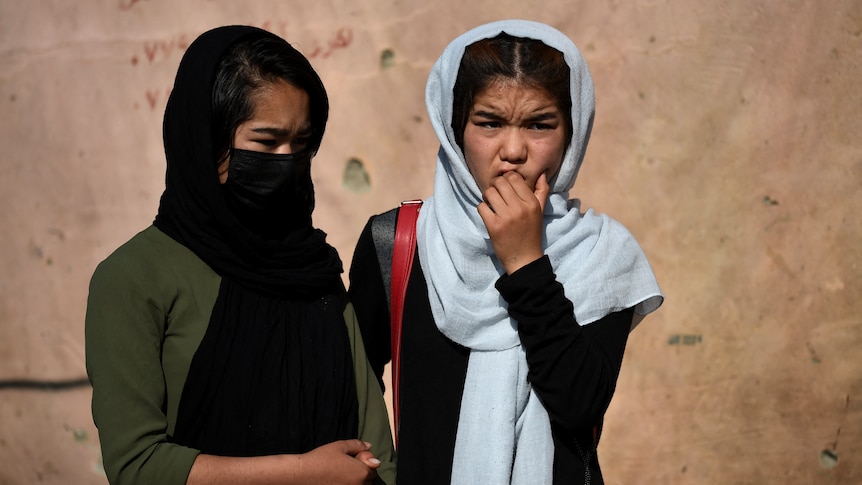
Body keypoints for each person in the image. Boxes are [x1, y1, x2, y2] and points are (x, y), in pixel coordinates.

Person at [348, 19, 663, 485]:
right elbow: (350, 391)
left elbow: (578, 405)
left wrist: (526, 262)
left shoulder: (602, 254)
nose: (513, 150)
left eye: (540, 125)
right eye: (489, 123)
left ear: (572, 134)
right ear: (455, 128)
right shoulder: (398, 242)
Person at [85, 25, 394, 485]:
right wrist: (304, 472)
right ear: (207, 141)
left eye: (302, 144)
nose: (287, 161)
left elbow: (378, 458)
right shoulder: (134, 278)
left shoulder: (314, 274)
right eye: (266, 143)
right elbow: (137, 466)